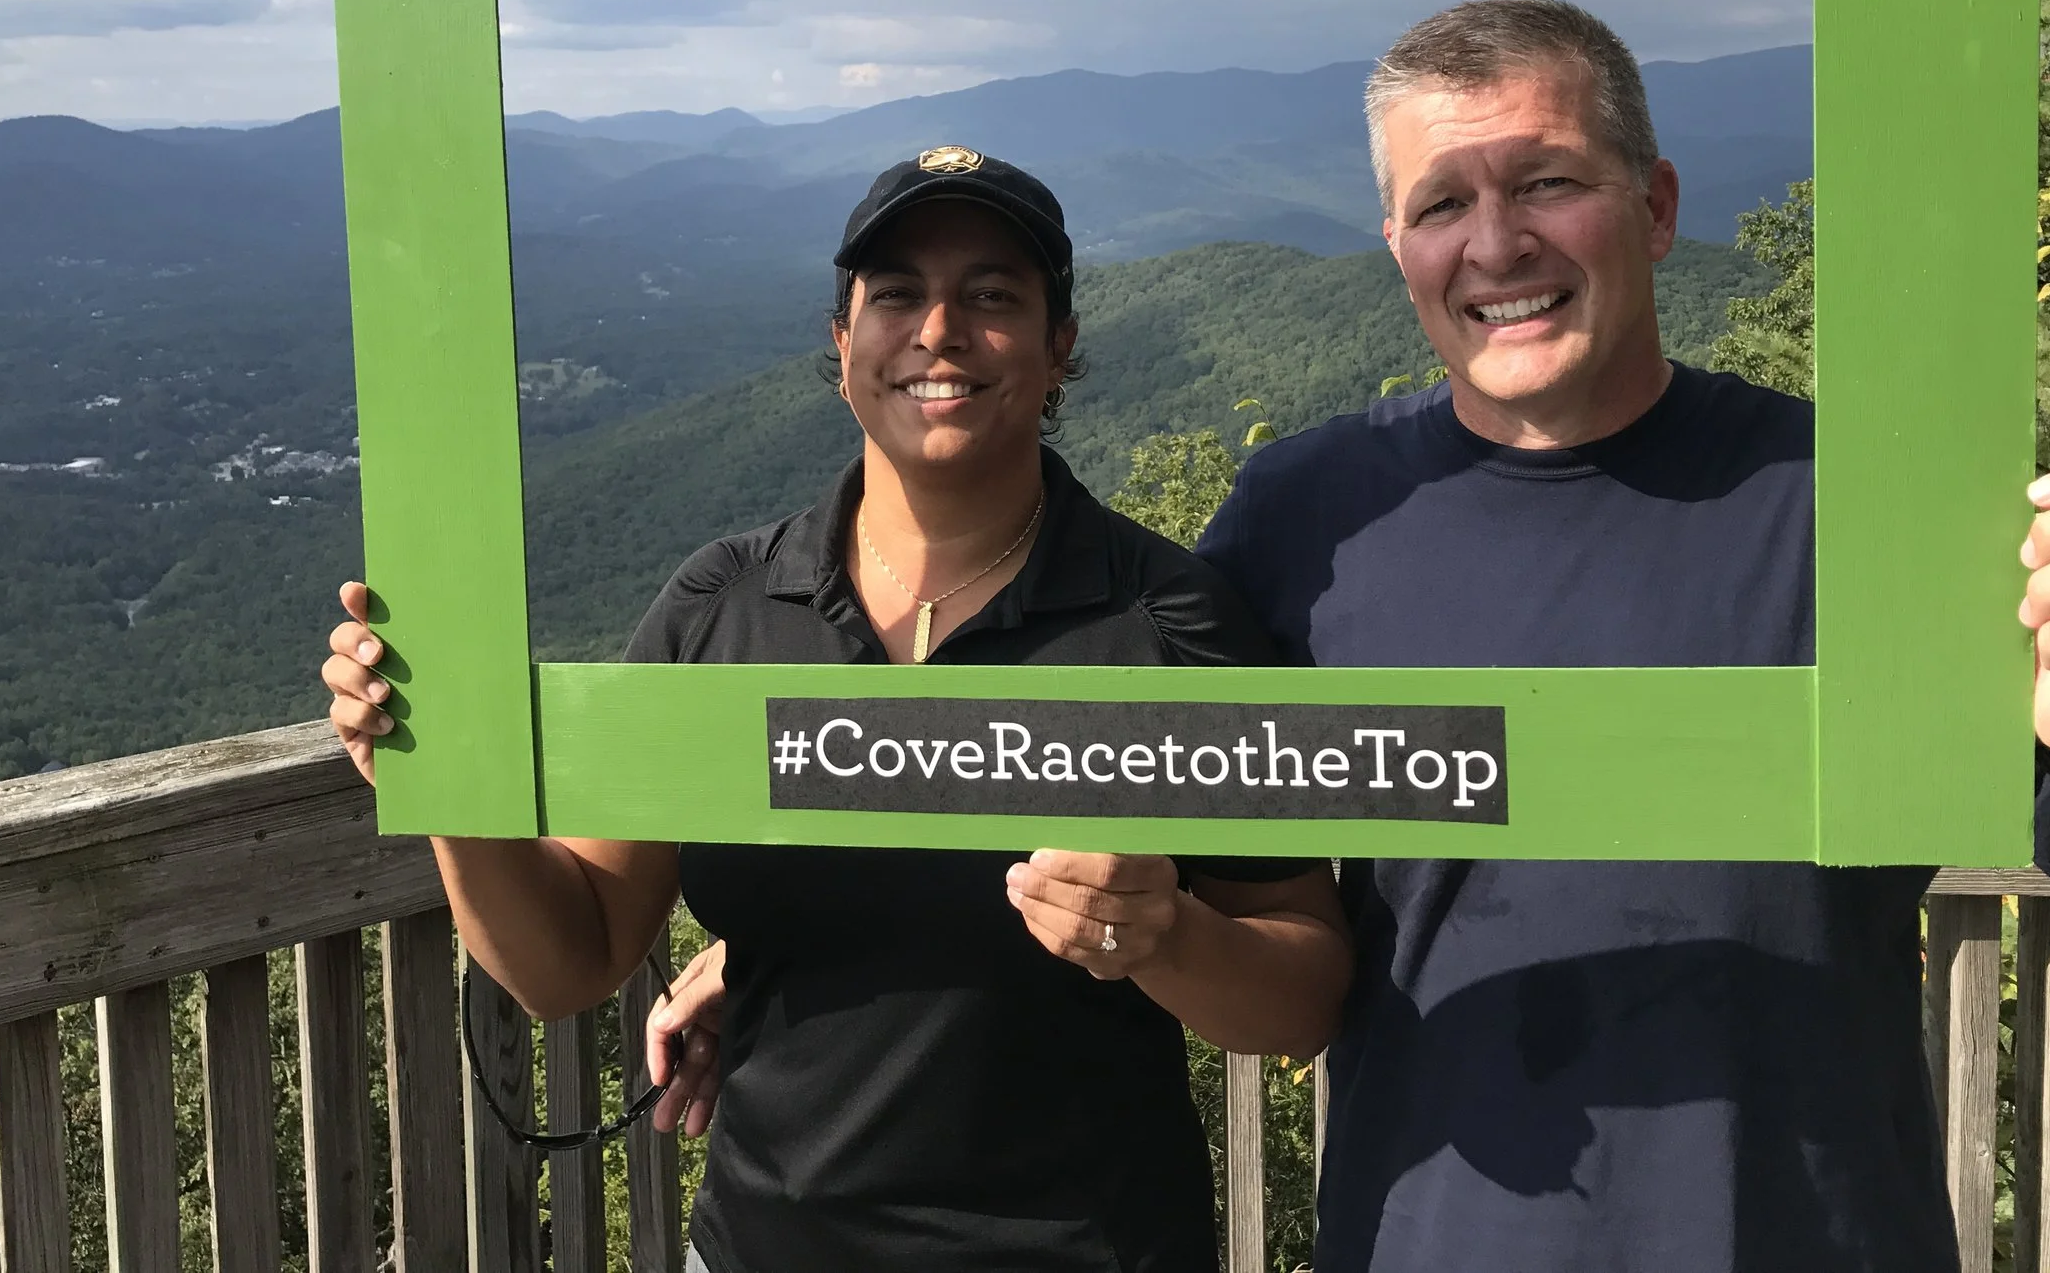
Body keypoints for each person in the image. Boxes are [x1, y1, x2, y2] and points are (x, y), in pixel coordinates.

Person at [1181, 0, 2050, 1271]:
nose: (1496, 243)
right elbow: (1241, 885)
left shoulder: (1855, 500)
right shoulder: (1305, 515)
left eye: (1546, 180)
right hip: (1425, 1239)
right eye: (1440, 205)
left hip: (1814, 1234)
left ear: (1657, 205)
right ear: (1397, 246)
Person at [322, 146, 1352, 1273]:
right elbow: (568, 959)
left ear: (1060, 346)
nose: (939, 328)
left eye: (993, 295)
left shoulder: (1170, 623)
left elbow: (1302, 988)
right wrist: (442, 776)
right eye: (897, 292)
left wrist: (1169, 937)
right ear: (841, 341)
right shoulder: (721, 607)